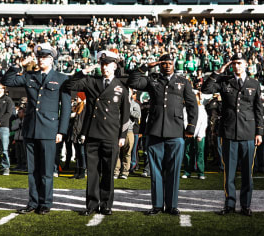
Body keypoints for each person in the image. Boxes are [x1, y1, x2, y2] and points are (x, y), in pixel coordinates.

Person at [1, 42, 72, 215]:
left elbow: (67, 107)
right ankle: (32, 202)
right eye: (39, 57)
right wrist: (19, 65)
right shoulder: (29, 76)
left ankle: (45, 203)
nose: (41, 60)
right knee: (32, 170)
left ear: (52, 59)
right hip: (30, 129)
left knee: (47, 170)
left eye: (45, 57)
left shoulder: (62, 78)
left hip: (49, 129)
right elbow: (6, 81)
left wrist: (61, 131)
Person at [127, 54, 198, 216]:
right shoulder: (153, 80)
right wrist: (145, 66)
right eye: (163, 62)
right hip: (155, 131)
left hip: (175, 132)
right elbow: (132, 81)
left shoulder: (183, 81)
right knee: (156, 171)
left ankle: (172, 205)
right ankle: (157, 205)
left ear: (173, 64)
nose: (167, 65)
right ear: (159, 64)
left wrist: (191, 128)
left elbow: (192, 105)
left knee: (173, 171)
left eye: (169, 62)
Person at [64, 50, 130, 216]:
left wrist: (122, 136)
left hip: (111, 134)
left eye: (107, 65)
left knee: (108, 171)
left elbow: (125, 114)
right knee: (92, 172)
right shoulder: (91, 81)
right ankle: (91, 204)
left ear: (115, 66)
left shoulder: (121, 87)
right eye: (102, 65)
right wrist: (83, 72)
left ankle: (106, 204)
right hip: (92, 134)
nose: (104, 68)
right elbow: (69, 85)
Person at [201, 53, 263, 217]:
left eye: (239, 63)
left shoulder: (254, 83)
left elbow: (258, 110)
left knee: (246, 173)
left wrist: (259, 132)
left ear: (246, 65)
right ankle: (229, 204)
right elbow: (205, 89)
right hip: (228, 132)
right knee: (229, 172)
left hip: (248, 133)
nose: (236, 66)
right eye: (234, 63)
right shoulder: (224, 81)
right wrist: (218, 72)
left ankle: (245, 205)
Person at [182, 91, 208, 180]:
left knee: (199, 153)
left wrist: (200, 135)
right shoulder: (186, 109)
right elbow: (184, 121)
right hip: (189, 134)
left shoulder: (201, 108)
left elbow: (203, 123)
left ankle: (201, 172)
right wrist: (187, 132)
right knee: (187, 152)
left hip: (199, 135)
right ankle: (187, 171)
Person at [0, 83, 14, 175]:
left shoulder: (8, 100)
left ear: (3, 89)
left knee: (4, 149)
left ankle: (5, 167)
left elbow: (9, 113)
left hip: (3, 127)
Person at [11, 107, 26, 171]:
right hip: (17, 139)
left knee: (23, 153)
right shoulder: (17, 120)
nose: (19, 114)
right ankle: (18, 165)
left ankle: (24, 165)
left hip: (23, 139)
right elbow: (12, 128)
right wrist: (18, 127)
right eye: (18, 112)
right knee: (18, 153)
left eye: (20, 112)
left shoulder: (26, 120)